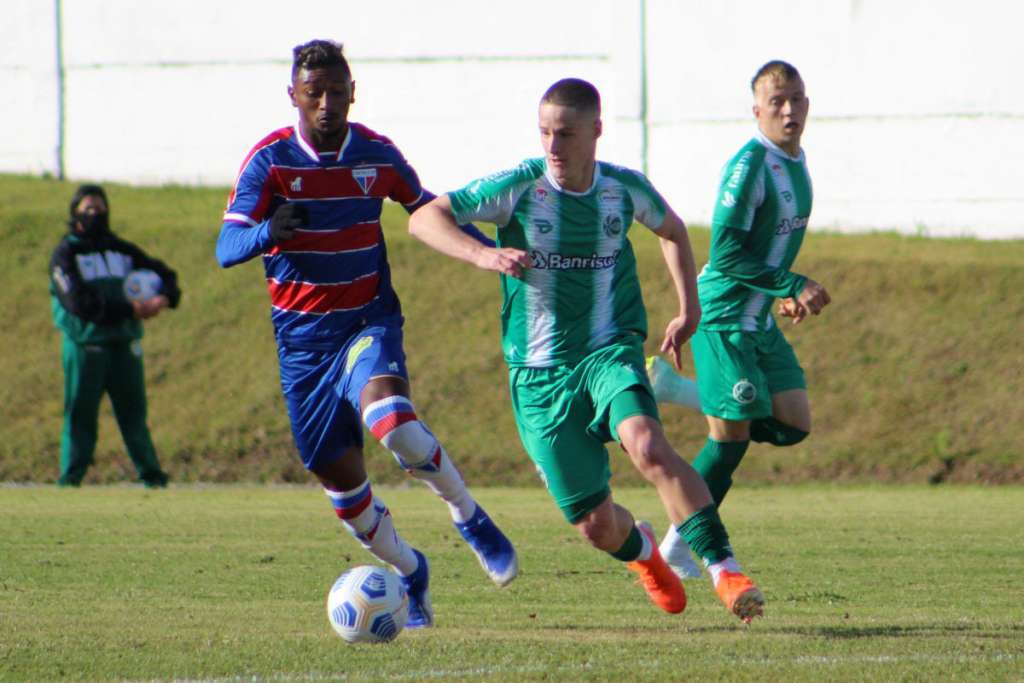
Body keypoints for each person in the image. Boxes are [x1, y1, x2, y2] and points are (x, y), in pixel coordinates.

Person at [409, 78, 765, 622]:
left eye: (566, 134)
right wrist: (483, 256)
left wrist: (688, 309)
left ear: (596, 131)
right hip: (538, 376)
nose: (553, 147)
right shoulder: (520, 187)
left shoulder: (623, 189)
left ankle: (726, 570)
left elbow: (673, 230)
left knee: (647, 445)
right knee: (595, 525)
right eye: (545, 133)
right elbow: (423, 218)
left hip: (608, 351)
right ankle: (645, 555)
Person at [215, 39, 517, 629]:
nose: (326, 104)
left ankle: (470, 517)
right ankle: (410, 569)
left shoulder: (377, 154)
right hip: (303, 347)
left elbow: (426, 209)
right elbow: (228, 247)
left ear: (353, 93)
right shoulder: (269, 161)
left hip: (365, 320)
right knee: (344, 491)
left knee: (393, 422)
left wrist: (493, 254)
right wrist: (268, 232)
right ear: (293, 95)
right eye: (314, 93)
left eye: (337, 92)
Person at [653, 60, 831, 578]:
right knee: (729, 440)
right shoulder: (749, 166)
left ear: (807, 104)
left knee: (794, 423)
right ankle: (677, 546)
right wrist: (791, 283)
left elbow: (767, 248)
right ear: (757, 111)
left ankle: (682, 392)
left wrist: (780, 293)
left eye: (795, 99)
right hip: (724, 318)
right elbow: (726, 253)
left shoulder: (797, 163)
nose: (788, 110)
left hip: (758, 318)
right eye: (776, 101)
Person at [49, 184, 180, 488]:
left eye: (100, 208)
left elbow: (165, 275)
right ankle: (70, 479)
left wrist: (164, 298)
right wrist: (129, 309)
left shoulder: (121, 250)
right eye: (88, 209)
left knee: (134, 416)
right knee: (80, 416)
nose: (95, 214)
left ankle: (152, 478)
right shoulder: (66, 253)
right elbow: (78, 302)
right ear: (75, 214)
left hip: (124, 344)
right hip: (85, 345)